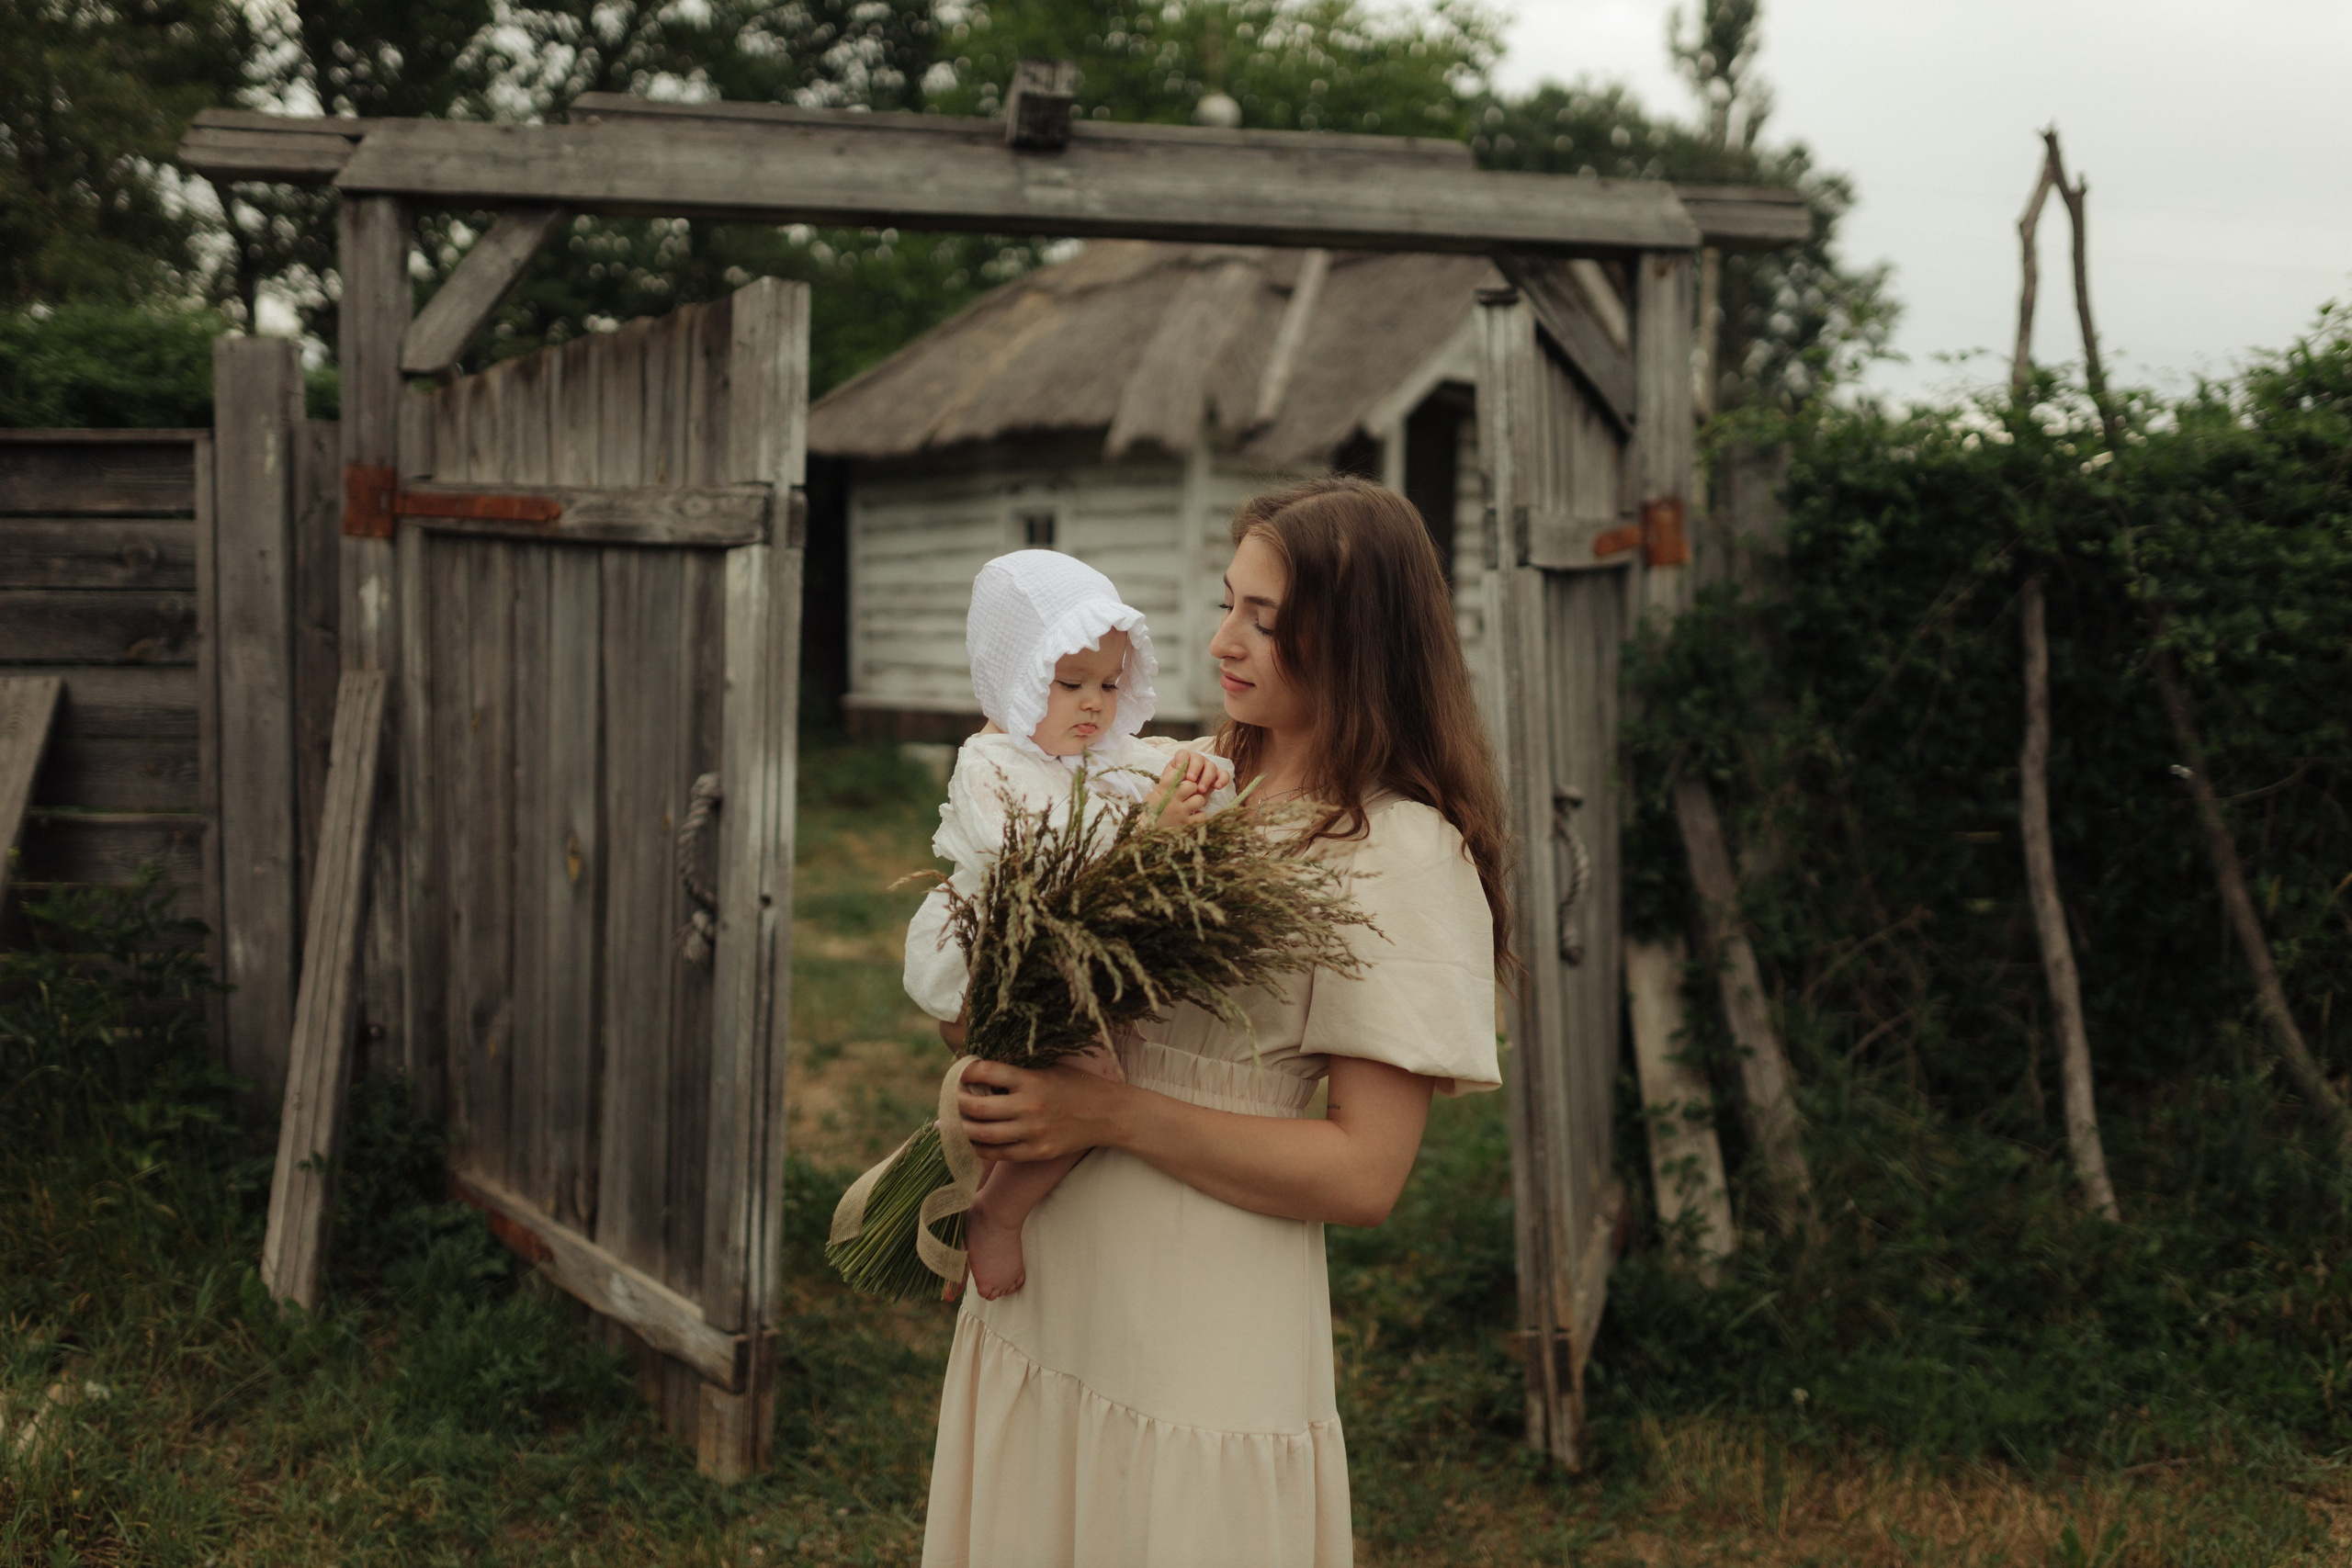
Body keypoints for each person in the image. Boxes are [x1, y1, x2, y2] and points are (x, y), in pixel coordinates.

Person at [922, 479, 1512, 1568]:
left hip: (1196, 1322)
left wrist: (1104, 1114)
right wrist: (993, 1032)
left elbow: (1364, 1176)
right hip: (1046, 1280)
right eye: (1226, 602)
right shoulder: (1162, 776)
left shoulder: (1399, 853)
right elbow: (997, 993)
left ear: (1358, 639)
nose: (1221, 641)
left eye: (1264, 619)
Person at [905, 548, 1232, 1301]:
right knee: (1089, 1082)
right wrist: (1145, 834)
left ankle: (968, 1208)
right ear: (1015, 677)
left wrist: (1200, 781)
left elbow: (1152, 780)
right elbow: (1046, 865)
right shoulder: (991, 765)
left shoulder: (1095, 754)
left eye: (1110, 685)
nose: (1094, 704)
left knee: (1020, 1100)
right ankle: (998, 1214)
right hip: (1009, 958)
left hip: (1061, 958)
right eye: (1070, 682)